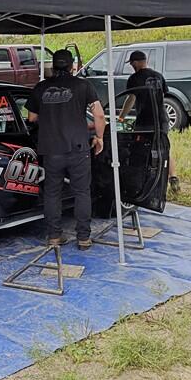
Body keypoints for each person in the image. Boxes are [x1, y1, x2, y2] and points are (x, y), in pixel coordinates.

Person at [26, 49, 106, 250]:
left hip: (51, 149)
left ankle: (54, 236)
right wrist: (100, 137)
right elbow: (99, 115)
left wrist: (51, 115)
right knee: (81, 192)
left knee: (52, 193)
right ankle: (83, 238)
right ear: (72, 66)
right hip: (78, 148)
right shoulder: (83, 85)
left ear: (53, 66)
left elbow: (31, 118)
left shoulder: (41, 87)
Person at [118, 50, 179, 192]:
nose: (132, 65)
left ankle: (146, 179)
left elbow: (131, 99)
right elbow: (162, 96)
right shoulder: (159, 76)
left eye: (132, 62)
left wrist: (121, 117)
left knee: (141, 149)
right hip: (161, 119)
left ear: (137, 62)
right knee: (163, 148)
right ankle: (173, 177)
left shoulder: (134, 78)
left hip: (144, 120)